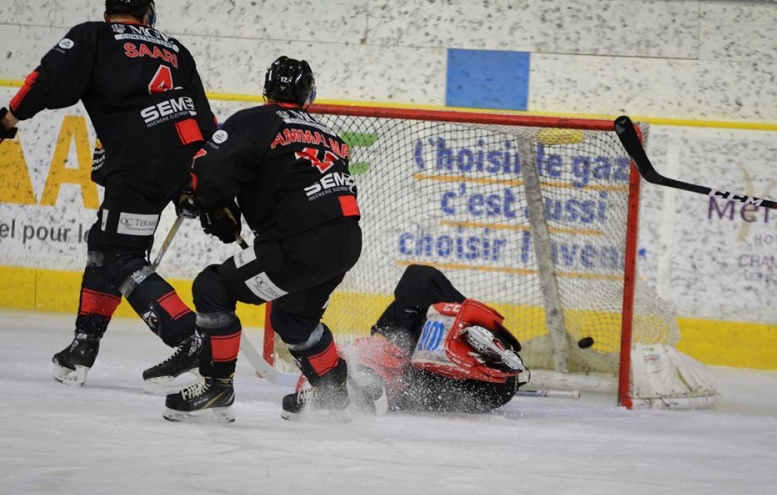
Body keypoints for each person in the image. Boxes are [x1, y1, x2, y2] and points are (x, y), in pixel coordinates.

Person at [0, 0, 217, 387]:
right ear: (147, 16)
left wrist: (8, 118)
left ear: (108, 14)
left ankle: (191, 338)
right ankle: (84, 344)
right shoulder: (175, 48)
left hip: (139, 157)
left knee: (121, 256)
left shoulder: (95, 35)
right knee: (103, 242)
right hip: (178, 159)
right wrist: (192, 183)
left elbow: (47, 81)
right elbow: (205, 122)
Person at [150, 56, 362, 423]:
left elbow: (208, 169)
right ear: (309, 94)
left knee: (213, 287)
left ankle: (216, 386)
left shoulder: (255, 121)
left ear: (267, 90)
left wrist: (214, 207)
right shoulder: (333, 137)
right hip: (346, 243)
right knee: (295, 318)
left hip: (298, 246)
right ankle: (332, 391)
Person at [343, 264, 527, 414]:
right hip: (484, 388)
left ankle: (377, 374)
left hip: (478, 386)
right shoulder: (413, 313)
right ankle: (373, 372)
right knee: (417, 291)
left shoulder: (409, 315)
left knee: (411, 304)